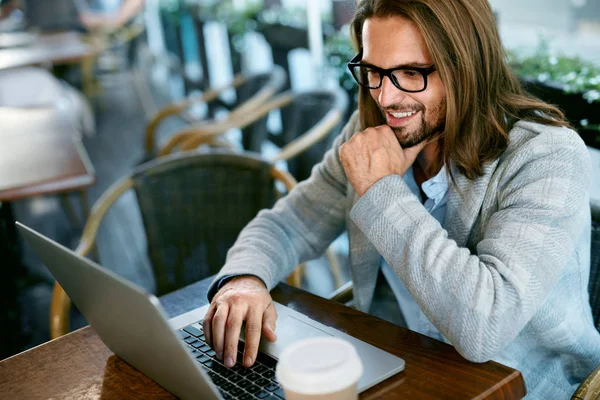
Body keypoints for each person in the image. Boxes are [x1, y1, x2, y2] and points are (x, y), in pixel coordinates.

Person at [203, 0, 600, 398]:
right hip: (391, 367)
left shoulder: (547, 157)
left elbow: (485, 327)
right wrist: (244, 279)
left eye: (411, 73)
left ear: (467, 67)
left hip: (514, 386)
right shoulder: (370, 130)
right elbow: (289, 223)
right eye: (374, 72)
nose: (387, 99)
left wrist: (381, 192)